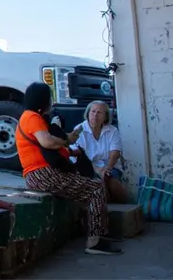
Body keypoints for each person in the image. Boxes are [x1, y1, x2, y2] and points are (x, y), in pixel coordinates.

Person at [15, 82, 122, 255]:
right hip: (43, 174)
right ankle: (94, 242)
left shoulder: (32, 118)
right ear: (43, 99)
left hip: (42, 174)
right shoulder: (32, 117)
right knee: (96, 188)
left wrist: (70, 149)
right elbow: (47, 142)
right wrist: (66, 140)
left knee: (89, 186)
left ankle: (101, 233)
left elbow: (50, 147)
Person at [72, 100, 129, 203]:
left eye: (99, 113)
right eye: (93, 111)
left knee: (112, 183)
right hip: (88, 168)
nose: (95, 115)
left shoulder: (112, 130)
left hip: (110, 167)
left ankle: (132, 209)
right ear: (88, 113)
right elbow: (79, 156)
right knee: (99, 186)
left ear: (105, 116)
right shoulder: (79, 130)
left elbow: (115, 154)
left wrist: (106, 169)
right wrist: (97, 170)